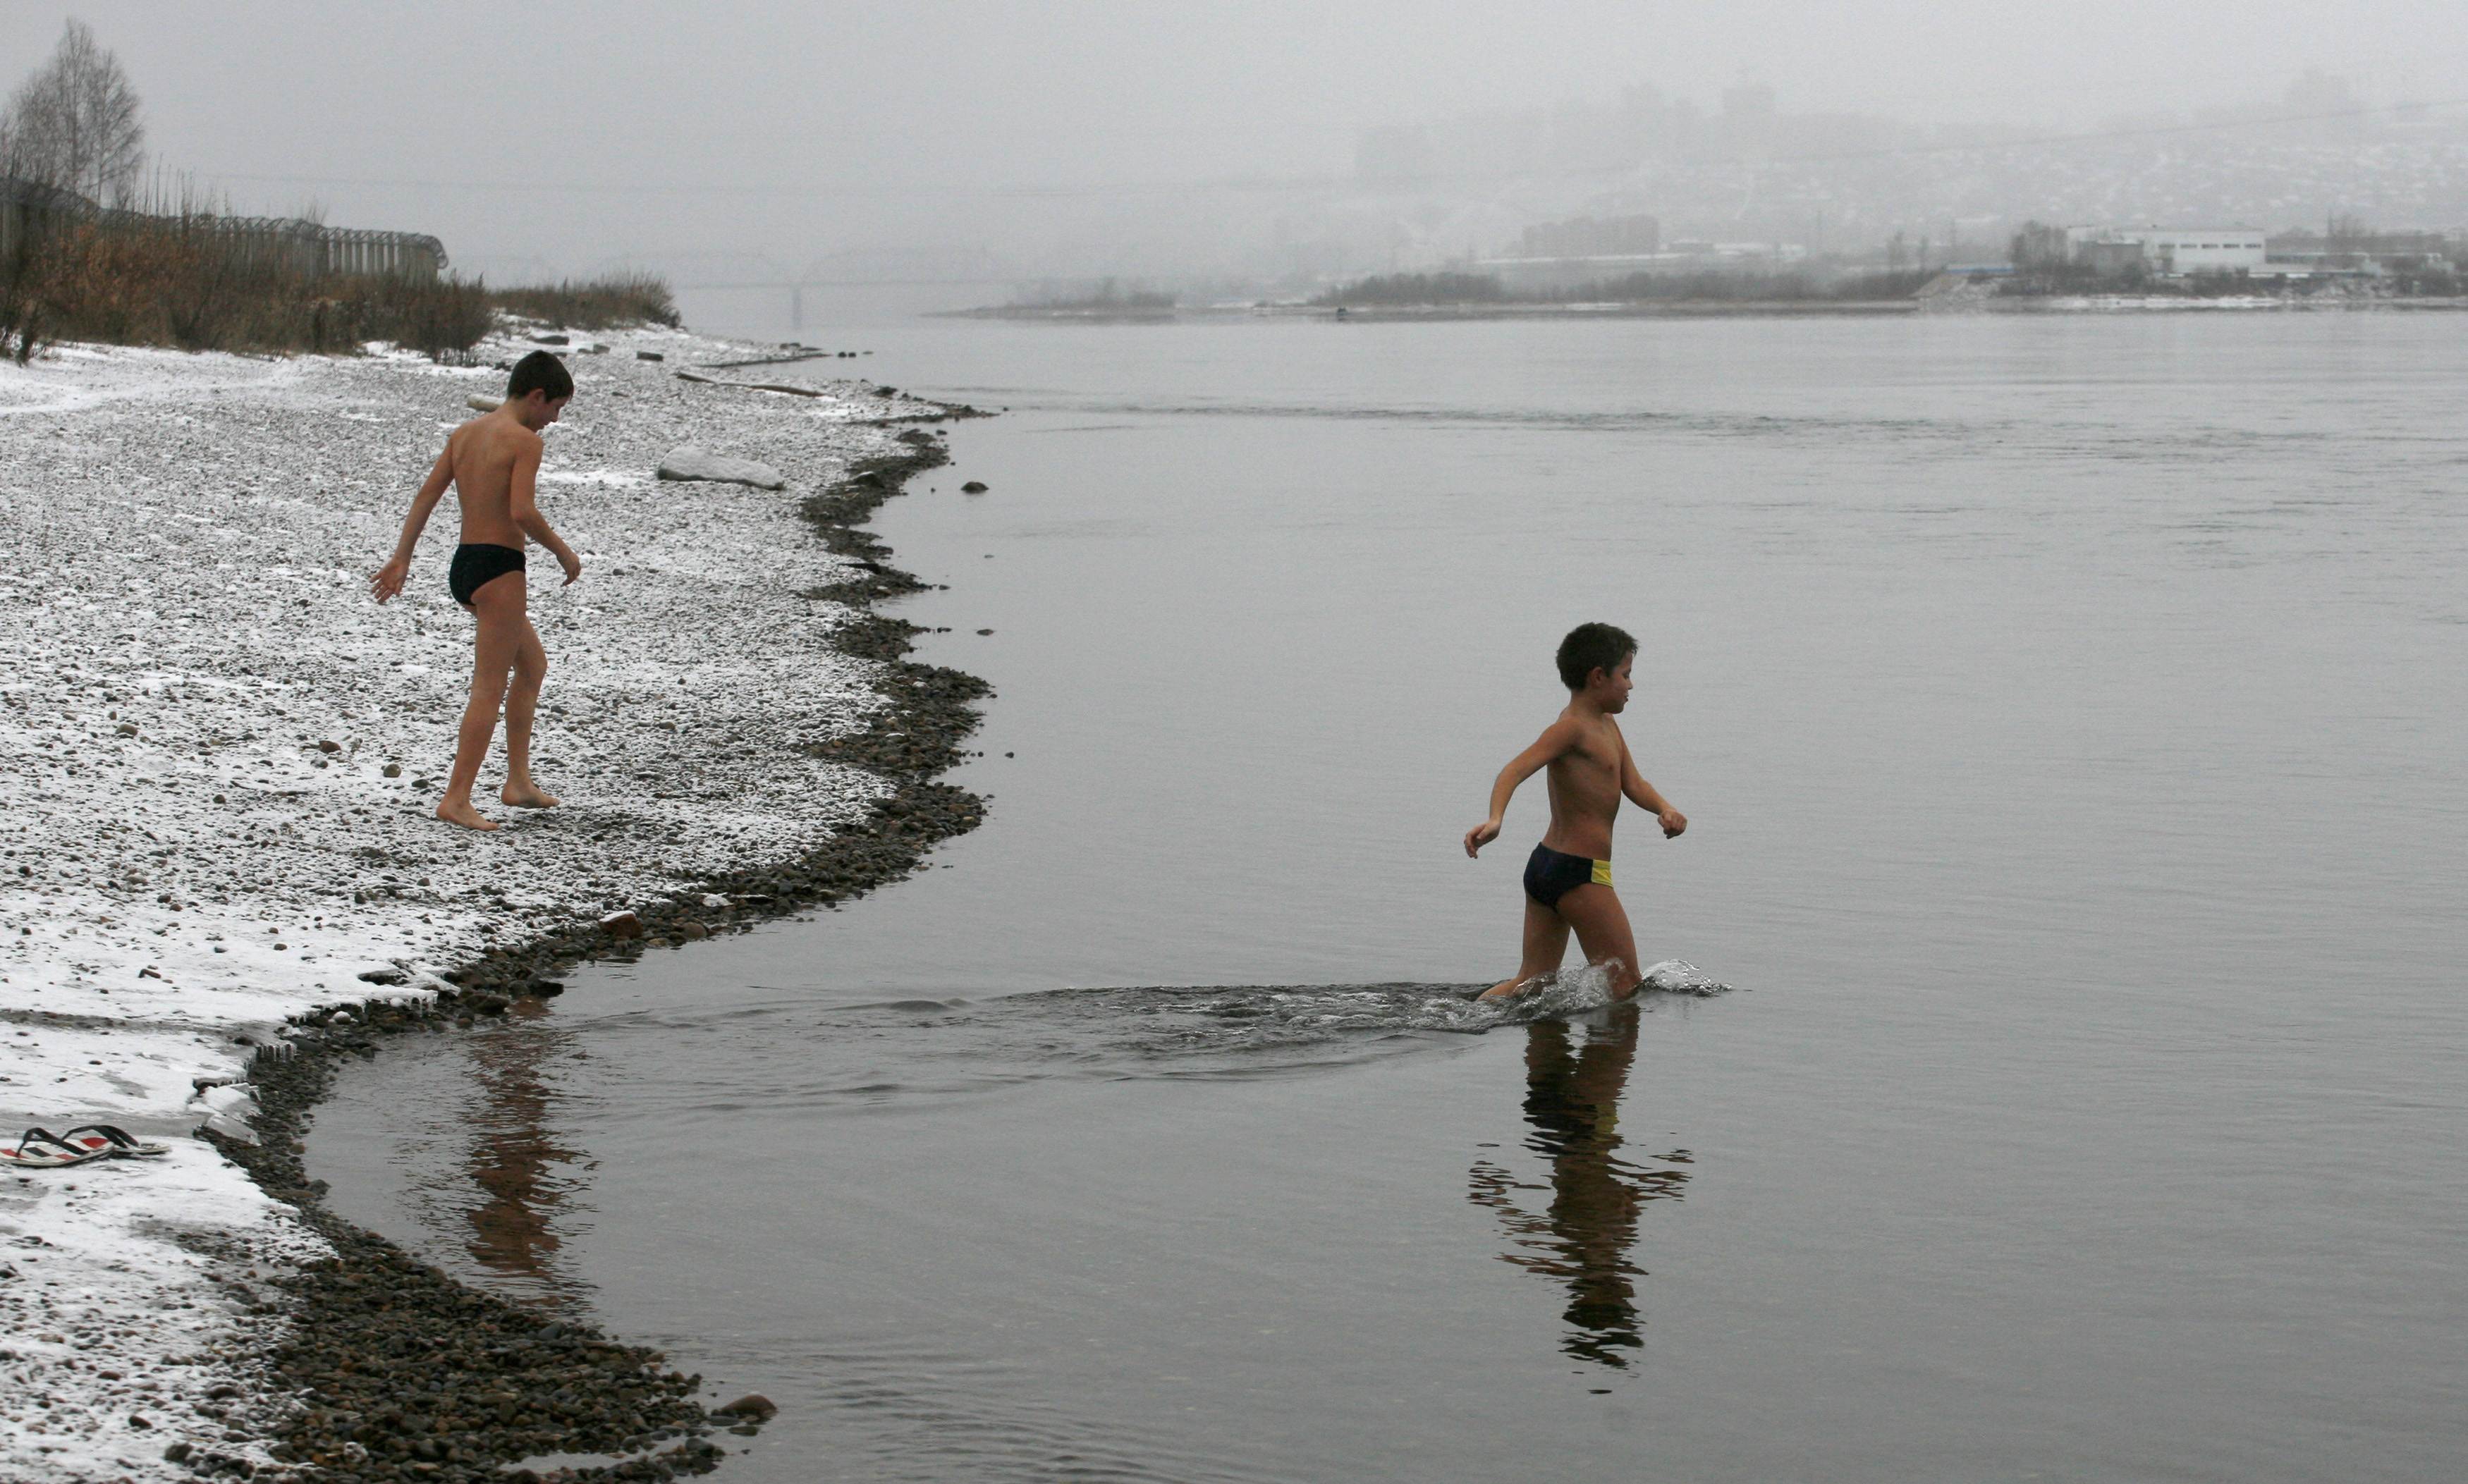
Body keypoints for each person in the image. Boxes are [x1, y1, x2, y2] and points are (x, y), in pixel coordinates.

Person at [369, 350, 583, 831]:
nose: (554, 419)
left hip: (465, 566)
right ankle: (457, 797)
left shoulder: (465, 435)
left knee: (532, 665)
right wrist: (563, 552)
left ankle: (519, 782)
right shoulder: (523, 441)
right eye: (556, 408)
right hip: (500, 567)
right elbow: (523, 512)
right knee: (488, 686)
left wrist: (403, 556)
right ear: (536, 395)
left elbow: (427, 494)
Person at [1464, 623, 1686, 1000]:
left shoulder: (1608, 725)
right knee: (1626, 984)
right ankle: (1607, 1059)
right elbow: (1514, 770)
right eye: (1626, 675)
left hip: (1546, 867)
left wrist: (1664, 808)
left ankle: (1469, 1015)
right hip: (1581, 874)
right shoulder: (1570, 729)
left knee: (1534, 983)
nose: (1631, 685)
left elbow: (1633, 784)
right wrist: (1496, 818)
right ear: (1598, 677)